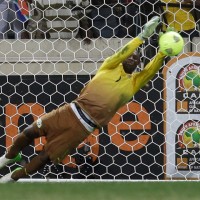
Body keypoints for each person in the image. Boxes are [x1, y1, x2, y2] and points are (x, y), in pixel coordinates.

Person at [0, 16, 167, 183]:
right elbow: (122, 52)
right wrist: (141, 37)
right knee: (29, 132)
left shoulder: (133, 84)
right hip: (70, 111)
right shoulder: (109, 66)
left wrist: (163, 53)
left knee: (46, 157)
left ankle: (11, 178)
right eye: (130, 54)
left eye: (136, 57)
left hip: (84, 127)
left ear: (139, 63)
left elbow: (150, 71)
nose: (132, 57)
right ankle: (10, 156)